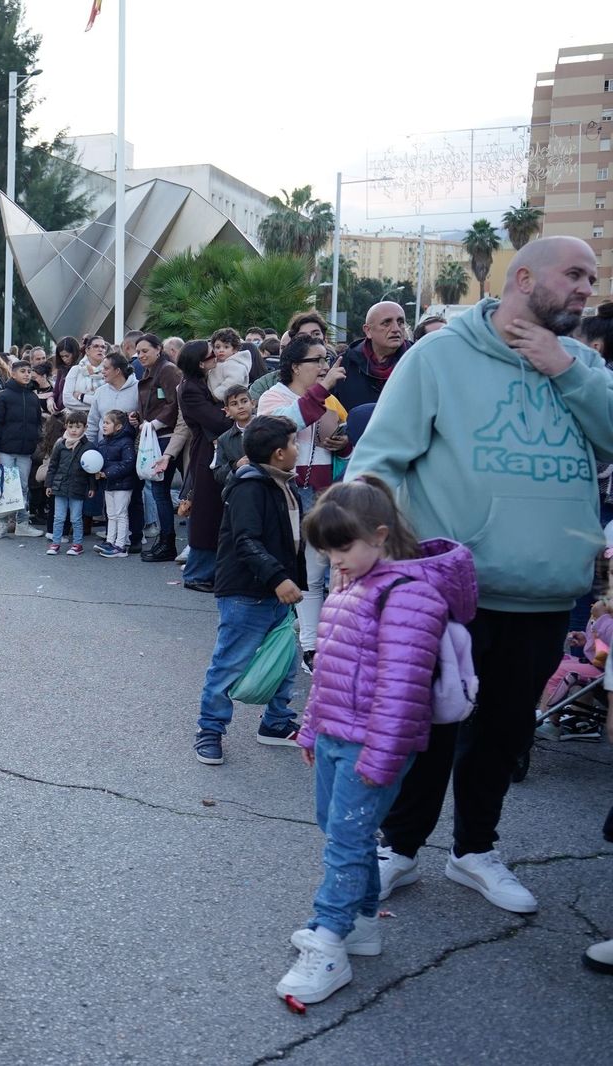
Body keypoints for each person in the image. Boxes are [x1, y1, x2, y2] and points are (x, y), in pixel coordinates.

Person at [349, 235, 610, 916]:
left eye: (592, 278)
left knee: (503, 733)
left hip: (546, 593)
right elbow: (379, 461)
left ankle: (475, 852)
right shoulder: (438, 356)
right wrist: (372, 555)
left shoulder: (582, 363)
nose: (587, 289)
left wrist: (564, 369)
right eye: (575, 274)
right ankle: (399, 847)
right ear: (523, 278)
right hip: (447, 593)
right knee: (428, 729)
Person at [277, 478, 476, 1005]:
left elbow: (403, 689)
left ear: (381, 535)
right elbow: (330, 669)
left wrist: (380, 756)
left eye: (343, 547)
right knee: (342, 831)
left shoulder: (409, 595)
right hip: (338, 736)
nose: (335, 560)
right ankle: (362, 923)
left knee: (346, 841)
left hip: (371, 745)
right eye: (327, 551)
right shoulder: (353, 582)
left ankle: (329, 942)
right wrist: (313, 727)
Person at [193, 415, 306, 767]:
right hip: (248, 591)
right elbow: (246, 541)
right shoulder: (250, 487)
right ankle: (209, 730)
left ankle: (276, 722)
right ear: (278, 453)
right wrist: (278, 578)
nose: (297, 448)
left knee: (285, 662)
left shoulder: (283, 483)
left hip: (278, 591)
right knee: (229, 664)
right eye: (293, 443)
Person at [259, 336, 353, 671]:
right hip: (288, 494)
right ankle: (305, 646)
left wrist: (342, 443)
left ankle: (323, 645)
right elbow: (281, 427)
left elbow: (343, 449)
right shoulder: (273, 396)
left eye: (327, 359)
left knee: (327, 571)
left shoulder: (328, 398)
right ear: (296, 366)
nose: (325, 367)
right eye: (318, 360)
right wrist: (322, 391)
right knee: (302, 574)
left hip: (325, 494)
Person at [159, 342, 232, 592]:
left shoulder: (200, 382)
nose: (217, 356)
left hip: (210, 450)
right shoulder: (190, 388)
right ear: (200, 363)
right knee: (206, 515)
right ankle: (197, 574)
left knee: (212, 514)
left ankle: (206, 573)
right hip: (206, 452)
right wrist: (235, 412)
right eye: (212, 354)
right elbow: (217, 421)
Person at [133, 333, 183, 561]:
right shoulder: (151, 371)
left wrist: (154, 423)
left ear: (158, 349)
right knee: (159, 491)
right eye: (138, 352)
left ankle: (167, 543)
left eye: (145, 351)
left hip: (168, 436)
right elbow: (156, 404)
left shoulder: (168, 370)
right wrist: (138, 417)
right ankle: (165, 541)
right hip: (156, 435)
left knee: (160, 491)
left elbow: (175, 403)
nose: (140, 355)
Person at [0, 360, 44, 540]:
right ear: (13, 373)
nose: (27, 374)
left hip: (25, 451)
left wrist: (36, 441)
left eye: (29, 371)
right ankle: (2, 524)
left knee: (23, 488)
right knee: (4, 486)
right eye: (22, 371)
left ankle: (22, 524)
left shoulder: (33, 397)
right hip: (5, 450)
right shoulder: (3, 396)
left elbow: (37, 423)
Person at [334, 301, 410, 413]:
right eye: (386, 323)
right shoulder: (344, 364)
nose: (396, 329)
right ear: (368, 330)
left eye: (400, 322)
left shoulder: (419, 360)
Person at [44, 411, 98, 557]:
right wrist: (49, 484)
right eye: (71, 426)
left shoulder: (88, 446)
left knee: (76, 518)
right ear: (66, 426)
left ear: (85, 428)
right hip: (60, 485)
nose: (74, 430)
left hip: (78, 486)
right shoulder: (60, 444)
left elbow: (91, 469)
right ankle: (55, 543)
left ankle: (77, 544)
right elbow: (53, 466)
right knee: (58, 517)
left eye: (78, 427)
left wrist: (92, 486)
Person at [95, 410, 138, 559]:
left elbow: (128, 463)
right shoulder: (103, 442)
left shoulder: (126, 442)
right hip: (109, 483)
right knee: (111, 514)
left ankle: (120, 546)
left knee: (121, 514)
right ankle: (110, 541)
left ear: (118, 426)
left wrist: (107, 473)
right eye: (103, 422)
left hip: (123, 484)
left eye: (107, 423)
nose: (104, 426)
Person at [210, 385, 256, 486]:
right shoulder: (223, 440)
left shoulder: (268, 428)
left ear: (253, 403)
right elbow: (218, 475)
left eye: (244, 401)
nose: (240, 406)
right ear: (227, 411)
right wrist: (236, 465)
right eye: (234, 404)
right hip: (242, 489)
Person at [207, 327, 252, 401]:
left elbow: (233, 382)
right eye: (217, 347)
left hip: (232, 400)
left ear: (235, 349)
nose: (221, 350)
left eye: (226, 347)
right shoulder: (216, 363)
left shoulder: (236, 364)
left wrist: (217, 395)